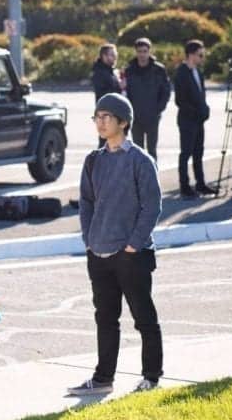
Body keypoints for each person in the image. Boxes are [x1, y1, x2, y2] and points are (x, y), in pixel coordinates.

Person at [69, 93, 163, 396]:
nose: (100, 122)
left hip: (131, 255)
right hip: (98, 253)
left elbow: (152, 206)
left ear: (123, 122)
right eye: (97, 116)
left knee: (144, 318)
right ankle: (102, 379)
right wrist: (89, 239)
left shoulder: (140, 160)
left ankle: (151, 377)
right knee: (105, 319)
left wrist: (134, 245)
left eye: (106, 117)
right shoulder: (93, 160)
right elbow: (86, 202)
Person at [173, 39, 217, 197]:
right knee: (186, 153)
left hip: (199, 120)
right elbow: (180, 101)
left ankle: (200, 184)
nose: (202, 57)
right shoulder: (181, 73)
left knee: (199, 152)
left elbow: (201, 95)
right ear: (191, 55)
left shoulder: (198, 72)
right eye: (200, 54)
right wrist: (196, 112)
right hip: (187, 120)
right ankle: (184, 186)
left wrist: (205, 109)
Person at [125, 37, 171, 162]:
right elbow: (125, 92)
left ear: (149, 51)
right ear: (136, 52)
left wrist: (158, 109)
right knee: (137, 151)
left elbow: (166, 91)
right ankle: (139, 179)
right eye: (139, 51)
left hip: (152, 116)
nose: (142, 54)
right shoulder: (129, 70)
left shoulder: (158, 70)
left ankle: (152, 178)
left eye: (145, 51)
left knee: (152, 151)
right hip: (135, 117)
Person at [92, 43, 123, 147]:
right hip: (105, 114)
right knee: (104, 144)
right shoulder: (100, 72)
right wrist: (119, 86)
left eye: (115, 55)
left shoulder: (110, 71)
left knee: (113, 143)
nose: (115, 58)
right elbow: (103, 94)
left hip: (114, 113)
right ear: (104, 56)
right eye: (112, 55)